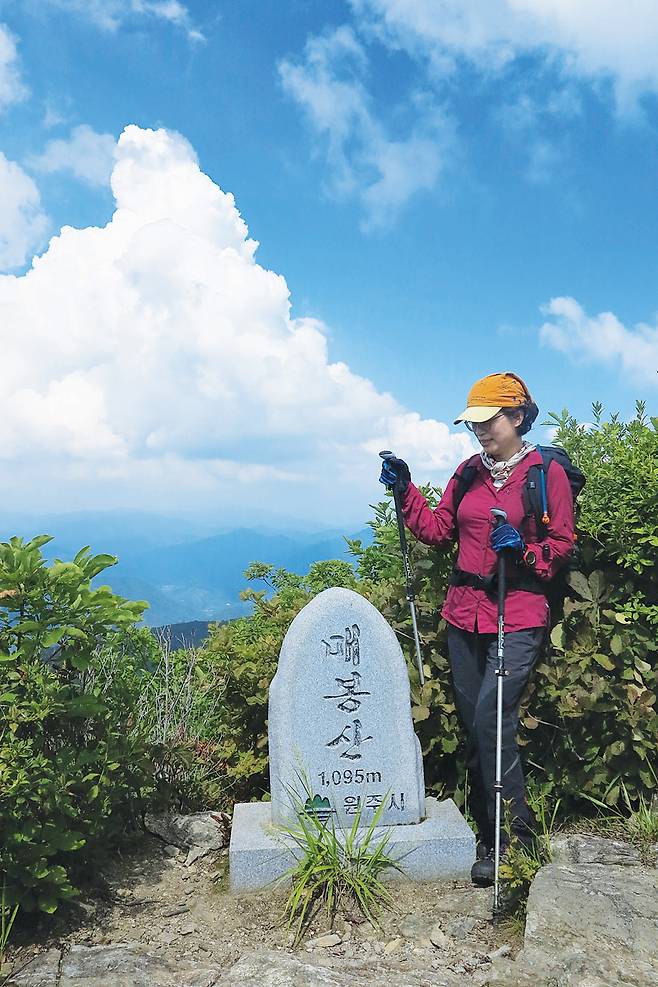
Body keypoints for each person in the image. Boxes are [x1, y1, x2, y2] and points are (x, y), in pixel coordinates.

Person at [379, 372, 575, 886]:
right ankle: (488, 837)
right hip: (463, 616)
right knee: (477, 728)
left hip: (519, 612)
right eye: (474, 423)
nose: (480, 432)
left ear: (517, 417)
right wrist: (406, 489)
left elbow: (560, 549)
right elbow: (437, 531)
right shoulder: (468, 472)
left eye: (488, 422)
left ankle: (518, 840)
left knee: (492, 720)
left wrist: (524, 551)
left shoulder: (544, 473)